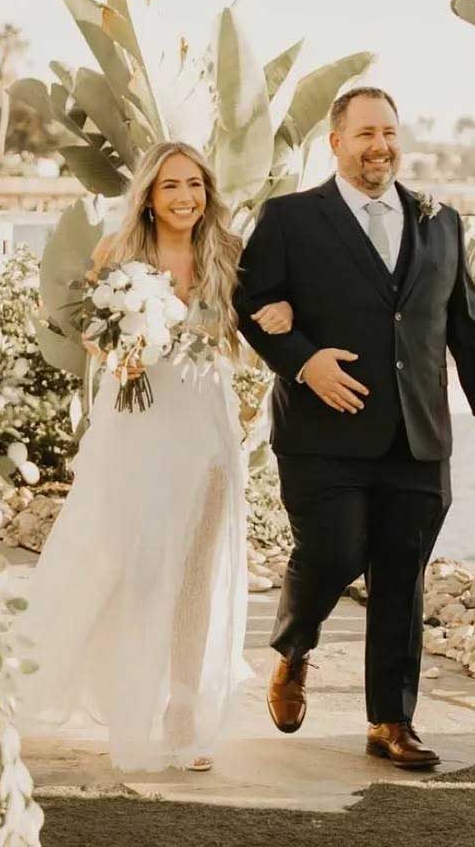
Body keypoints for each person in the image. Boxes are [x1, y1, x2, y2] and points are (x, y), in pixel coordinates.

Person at [235, 85, 475, 770]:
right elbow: (250, 303)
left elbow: (464, 321)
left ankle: (391, 719)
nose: (379, 145)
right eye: (364, 134)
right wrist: (303, 362)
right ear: (335, 143)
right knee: (332, 554)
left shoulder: (439, 220)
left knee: (401, 577)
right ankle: (294, 648)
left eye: (389, 131)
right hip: (323, 434)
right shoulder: (291, 219)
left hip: (418, 435)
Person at [15, 141, 289, 773]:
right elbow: (93, 334)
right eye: (171, 186)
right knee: (131, 564)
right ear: (149, 195)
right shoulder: (119, 254)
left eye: (194, 184)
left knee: (196, 569)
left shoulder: (224, 253)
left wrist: (283, 313)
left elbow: (243, 330)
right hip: (134, 422)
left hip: (203, 421)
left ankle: (183, 711)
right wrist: (120, 353)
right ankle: (130, 698)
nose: (185, 197)